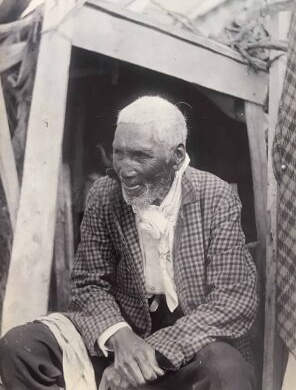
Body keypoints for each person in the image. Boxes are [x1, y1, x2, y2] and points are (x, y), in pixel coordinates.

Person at [0, 96, 258, 390]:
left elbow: (234, 301)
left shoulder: (216, 196)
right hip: (118, 341)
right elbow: (88, 283)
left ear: (176, 155)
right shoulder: (104, 194)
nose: (124, 167)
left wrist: (151, 352)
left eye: (140, 155)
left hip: (189, 346)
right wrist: (120, 337)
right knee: (19, 346)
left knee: (226, 372)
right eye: (118, 152)